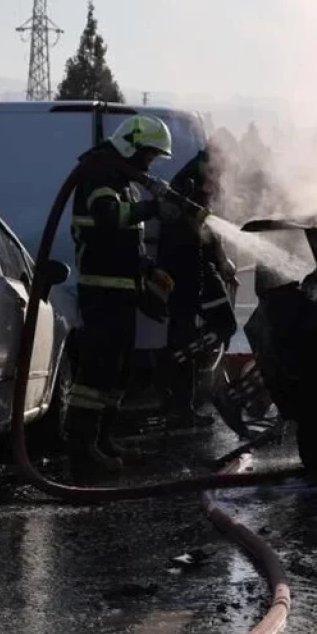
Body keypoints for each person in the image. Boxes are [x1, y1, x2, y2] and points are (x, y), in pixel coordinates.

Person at [64, 115, 189, 479]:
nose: (150, 163)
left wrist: (149, 269)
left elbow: (123, 239)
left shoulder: (121, 178)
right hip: (101, 289)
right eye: (149, 154)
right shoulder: (98, 174)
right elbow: (108, 217)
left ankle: (103, 440)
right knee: (96, 372)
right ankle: (82, 450)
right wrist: (152, 208)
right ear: (132, 145)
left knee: (118, 371)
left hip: (122, 288)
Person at [159, 147, 241, 434]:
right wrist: (220, 259)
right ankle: (181, 360)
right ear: (207, 163)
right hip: (191, 270)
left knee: (187, 332)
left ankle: (182, 404)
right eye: (217, 169)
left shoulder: (191, 181)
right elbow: (201, 227)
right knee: (225, 325)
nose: (219, 178)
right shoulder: (190, 186)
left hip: (188, 270)